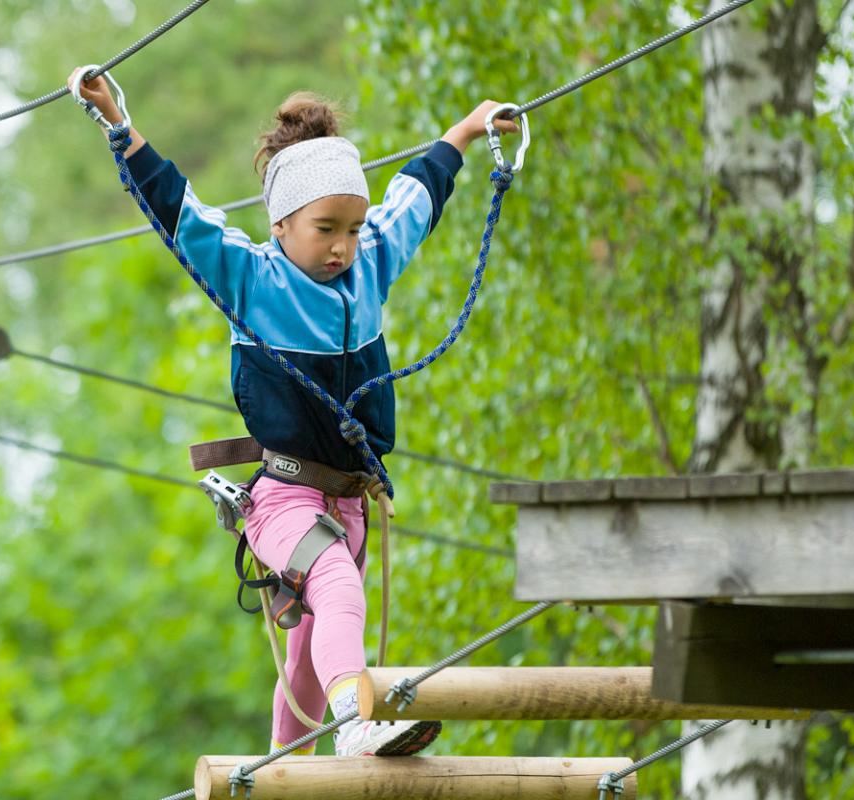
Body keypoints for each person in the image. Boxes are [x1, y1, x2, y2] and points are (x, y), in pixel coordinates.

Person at [68, 68, 517, 757]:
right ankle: (356, 725)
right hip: (284, 498)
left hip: (351, 504)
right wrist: (118, 126)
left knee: (309, 667)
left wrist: (462, 133)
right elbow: (178, 209)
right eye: (324, 229)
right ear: (280, 224)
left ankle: (290, 770)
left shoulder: (369, 263)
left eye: (352, 228)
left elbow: (415, 200)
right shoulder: (252, 278)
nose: (342, 245)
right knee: (335, 583)